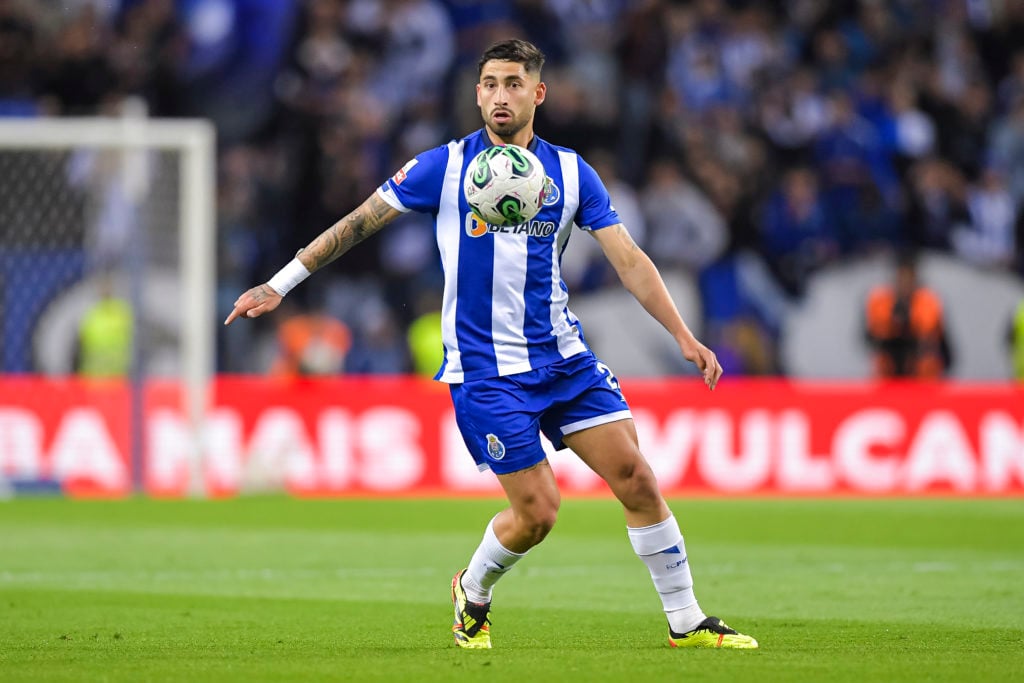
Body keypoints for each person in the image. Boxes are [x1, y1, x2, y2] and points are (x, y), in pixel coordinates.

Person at [225, 38, 757, 651]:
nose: (500, 95)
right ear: (477, 93)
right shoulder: (442, 167)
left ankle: (686, 622)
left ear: (539, 92)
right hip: (487, 374)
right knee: (538, 515)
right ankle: (472, 590)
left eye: (513, 83)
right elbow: (358, 222)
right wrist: (280, 283)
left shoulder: (571, 172)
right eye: (489, 84)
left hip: (564, 360)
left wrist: (684, 337)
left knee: (637, 478)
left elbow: (629, 260)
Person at [864, 251, 952, 378]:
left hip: (922, 376)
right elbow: (868, 338)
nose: (905, 283)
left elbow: (944, 347)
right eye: (901, 277)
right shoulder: (879, 301)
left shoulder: (929, 302)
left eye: (909, 277)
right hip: (886, 375)